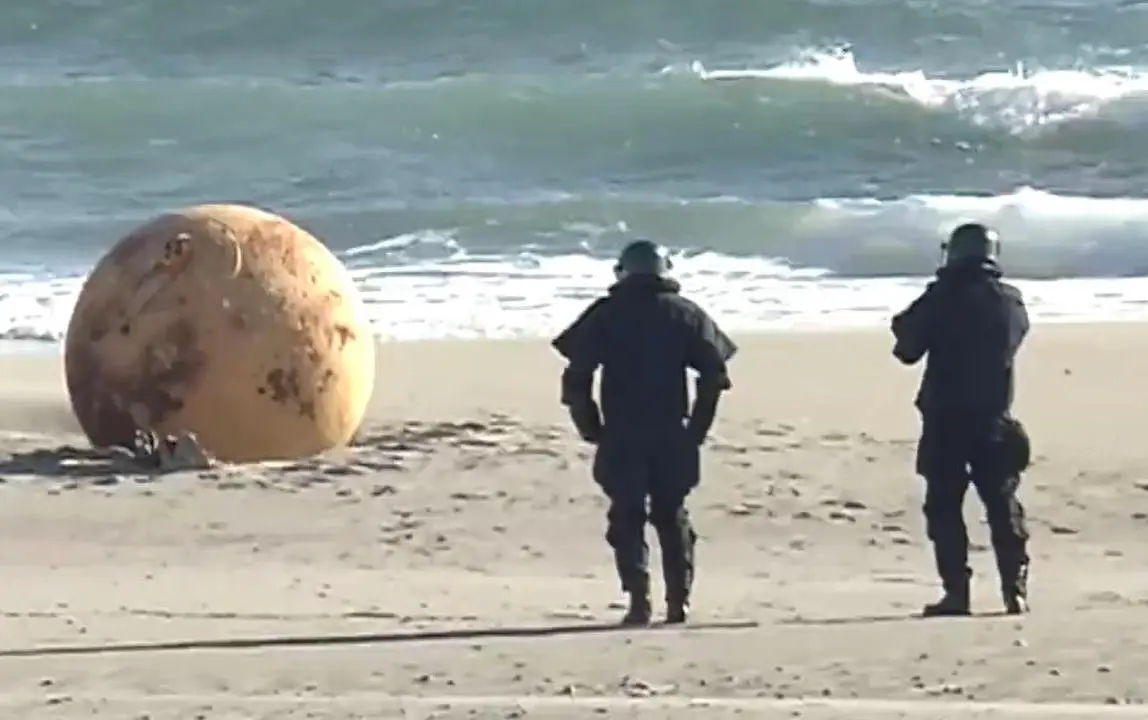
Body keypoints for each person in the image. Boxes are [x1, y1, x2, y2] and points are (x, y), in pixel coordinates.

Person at [551, 240, 737, 626]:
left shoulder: (606, 314)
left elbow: (576, 378)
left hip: (621, 433)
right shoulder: (686, 314)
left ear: (623, 272)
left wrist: (590, 427)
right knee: (672, 515)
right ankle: (678, 602)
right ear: (665, 271)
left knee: (627, 516)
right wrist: (697, 430)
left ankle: (639, 602)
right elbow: (714, 375)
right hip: (673, 432)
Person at [891, 222, 1032, 617]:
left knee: (944, 506)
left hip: (945, 419)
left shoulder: (942, 297)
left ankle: (957, 594)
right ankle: (1014, 589)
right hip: (994, 417)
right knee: (1002, 504)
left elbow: (906, 349)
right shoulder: (1009, 300)